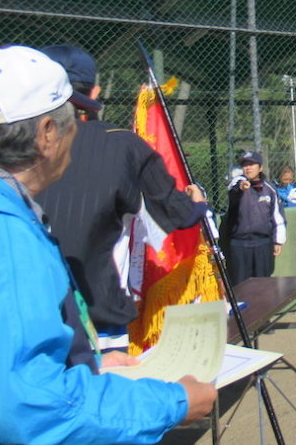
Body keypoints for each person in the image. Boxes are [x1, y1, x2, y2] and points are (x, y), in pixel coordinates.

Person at [0, 45, 216, 445]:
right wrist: (171, 403)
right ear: (47, 133)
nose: (78, 135)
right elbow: (27, 406)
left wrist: (89, 366)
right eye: (72, 122)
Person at [36, 44, 209, 352]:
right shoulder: (123, 146)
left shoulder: (7, 147)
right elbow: (177, 214)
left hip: (25, 327)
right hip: (99, 327)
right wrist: (198, 204)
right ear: (95, 92)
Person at [222, 150, 287, 285]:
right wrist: (241, 186)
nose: (248, 168)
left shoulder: (269, 188)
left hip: (263, 244)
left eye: (252, 164)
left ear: (260, 167)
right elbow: (234, 187)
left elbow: (277, 216)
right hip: (239, 244)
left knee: (263, 285)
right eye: (245, 165)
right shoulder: (237, 183)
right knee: (240, 286)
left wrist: (278, 241)